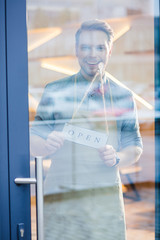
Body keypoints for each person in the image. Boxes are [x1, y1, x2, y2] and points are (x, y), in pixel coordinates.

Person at [30, 19, 143, 240]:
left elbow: (134, 145)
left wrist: (118, 157)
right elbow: (33, 139)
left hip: (103, 199)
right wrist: (45, 145)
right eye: (85, 47)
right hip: (61, 194)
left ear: (110, 50)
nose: (93, 54)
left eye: (100, 47)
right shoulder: (54, 91)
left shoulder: (123, 95)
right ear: (76, 50)